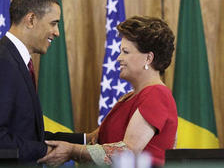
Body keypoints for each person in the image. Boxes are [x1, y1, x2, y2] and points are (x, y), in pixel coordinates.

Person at [38, 16, 178, 167]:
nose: (119, 58)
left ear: (148, 58)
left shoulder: (156, 95)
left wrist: (73, 150)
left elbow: (127, 152)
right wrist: (46, 142)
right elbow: (94, 140)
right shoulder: (131, 97)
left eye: (126, 51)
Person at [0, 0, 86, 163]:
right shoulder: (1, 65)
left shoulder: (13, 60)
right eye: (53, 23)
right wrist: (48, 150)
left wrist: (83, 140)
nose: (57, 32)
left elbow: (26, 133)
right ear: (31, 19)